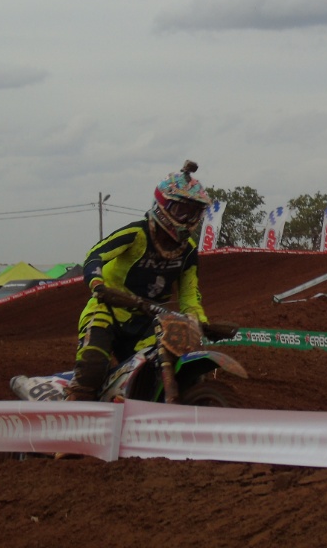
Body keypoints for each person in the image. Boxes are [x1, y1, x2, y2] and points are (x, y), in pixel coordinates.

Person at [64, 160, 232, 402]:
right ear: (163, 206)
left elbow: (189, 296)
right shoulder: (137, 233)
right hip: (108, 310)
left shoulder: (188, 251)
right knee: (92, 368)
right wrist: (97, 284)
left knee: (166, 366)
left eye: (194, 213)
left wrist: (200, 322)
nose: (187, 219)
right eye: (182, 211)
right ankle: (75, 408)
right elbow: (95, 255)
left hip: (149, 322)